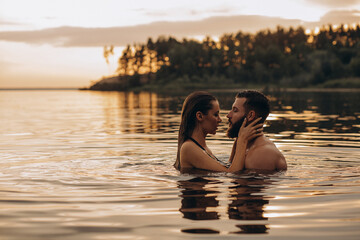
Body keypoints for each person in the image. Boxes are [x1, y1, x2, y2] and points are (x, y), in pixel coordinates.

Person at [174, 91, 263, 173]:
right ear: (200, 116)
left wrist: (238, 139)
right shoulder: (189, 148)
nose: (220, 119)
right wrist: (242, 141)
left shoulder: (202, 147)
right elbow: (232, 173)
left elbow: (228, 167)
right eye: (216, 115)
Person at [227, 90, 287, 171]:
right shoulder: (241, 141)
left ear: (250, 115)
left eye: (235, 110)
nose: (228, 115)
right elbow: (230, 168)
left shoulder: (262, 154)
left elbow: (235, 180)